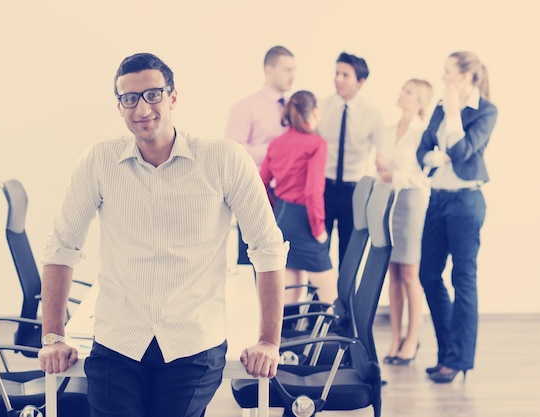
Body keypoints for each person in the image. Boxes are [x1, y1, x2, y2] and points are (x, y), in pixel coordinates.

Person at [37, 52, 289, 417]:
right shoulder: (99, 161)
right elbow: (61, 245)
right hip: (118, 341)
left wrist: (268, 341)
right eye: (129, 99)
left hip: (194, 343)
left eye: (153, 94)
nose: (142, 109)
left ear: (172, 97)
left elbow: (267, 248)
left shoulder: (224, 160)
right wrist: (53, 336)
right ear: (119, 107)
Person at [416, 51, 498, 383]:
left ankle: (458, 359)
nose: (443, 78)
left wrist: (452, 116)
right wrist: (435, 156)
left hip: (466, 202)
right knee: (429, 275)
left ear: (464, 76)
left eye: (447, 72)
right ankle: (448, 353)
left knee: (463, 279)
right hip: (437, 199)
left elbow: (463, 152)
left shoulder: (486, 111)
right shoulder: (438, 106)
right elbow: (422, 149)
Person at [260, 90, 338, 306]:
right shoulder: (316, 143)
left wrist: (276, 208)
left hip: (282, 219)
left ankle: (283, 340)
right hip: (305, 221)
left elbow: (262, 182)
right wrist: (319, 230)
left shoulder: (277, 143)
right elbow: (313, 193)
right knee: (332, 301)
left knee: (290, 297)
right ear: (313, 112)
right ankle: (334, 340)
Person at [375, 79, 434, 366]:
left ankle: (412, 337)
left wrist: (393, 175)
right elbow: (383, 164)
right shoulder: (387, 131)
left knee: (410, 273)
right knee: (393, 273)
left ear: (420, 101)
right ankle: (395, 337)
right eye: (402, 89)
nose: (401, 94)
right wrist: (382, 169)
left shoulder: (423, 133)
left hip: (412, 202)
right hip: (391, 202)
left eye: (408, 92)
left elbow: (424, 176)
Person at [225, 45, 296, 266]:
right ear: (269, 70)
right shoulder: (246, 107)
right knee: (253, 257)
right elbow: (233, 152)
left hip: (289, 194)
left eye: (294, 69)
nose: (292, 75)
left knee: (285, 258)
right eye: (286, 69)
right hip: (257, 191)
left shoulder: (295, 107)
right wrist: (276, 148)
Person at [317, 52, 383, 269]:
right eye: (337, 73)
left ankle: (345, 302)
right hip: (323, 187)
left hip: (354, 192)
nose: (338, 79)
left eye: (345, 75)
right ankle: (317, 302)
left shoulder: (373, 114)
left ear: (361, 81)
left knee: (349, 255)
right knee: (318, 251)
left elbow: (381, 156)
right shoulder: (321, 107)